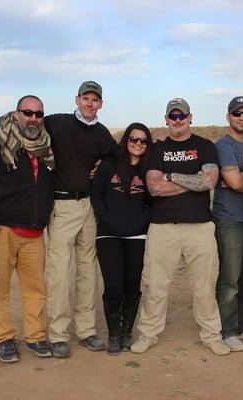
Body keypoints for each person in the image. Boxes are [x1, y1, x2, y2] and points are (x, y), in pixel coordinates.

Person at [0, 81, 119, 357]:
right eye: (85, 98)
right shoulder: (57, 123)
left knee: (88, 270)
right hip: (62, 205)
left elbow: (112, 157)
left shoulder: (102, 133)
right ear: (77, 99)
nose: (90, 104)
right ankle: (58, 334)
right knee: (59, 271)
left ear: (101, 104)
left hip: (88, 206)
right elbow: (25, 123)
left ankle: (86, 331)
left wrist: (101, 168)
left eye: (95, 100)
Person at [131, 98, 230, 356]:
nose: (178, 121)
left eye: (182, 116)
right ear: (166, 119)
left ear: (190, 117)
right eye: (173, 116)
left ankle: (211, 335)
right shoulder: (157, 149)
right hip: (163, 227)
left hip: (200, 227)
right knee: (155, 285)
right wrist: (191, 180)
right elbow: (154, 188)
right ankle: (148, 333)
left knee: (205, 286)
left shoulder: (205, 146)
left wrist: (171, 176)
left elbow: (208, 181)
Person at [0, 95, 55, 363]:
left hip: (34, 234)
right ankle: (4, 338)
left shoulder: (46, 146)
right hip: (2, 231)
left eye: (38, 114)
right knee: (0, 289)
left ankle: (35, 336)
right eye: (28, 112)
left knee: (36, 289)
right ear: (16, 114)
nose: (33, 118)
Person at [90, 123, 153, 355]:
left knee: (132, 285)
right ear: (126, 140)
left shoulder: (149, 169)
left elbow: (153, 202)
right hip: (109, 233)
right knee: (114, 285)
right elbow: (96, 193)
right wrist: (105, 217)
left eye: (143, 140)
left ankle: (127, 332)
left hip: (137, 234)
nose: (138, 144)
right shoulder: (109, 165)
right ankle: (114, 333)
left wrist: (142, 221)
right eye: (133, 139)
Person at [213, 96, 243, 352]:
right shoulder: (223, 145)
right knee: (230, 278)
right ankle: (227, 329)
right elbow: (235, 183)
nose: (241, 117)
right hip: (229, 220)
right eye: (236, 113)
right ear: (228, 116)